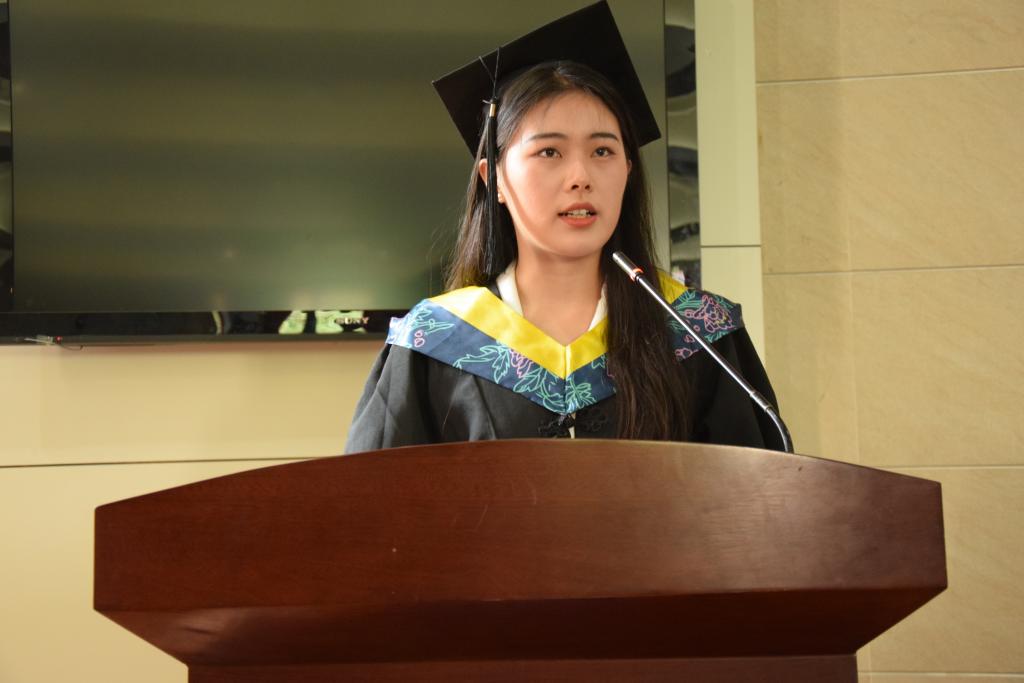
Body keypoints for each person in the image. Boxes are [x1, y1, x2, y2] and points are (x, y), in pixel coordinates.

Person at [345, 1, 784, 453]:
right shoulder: (435, 341)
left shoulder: (696, 333)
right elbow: (374, 494)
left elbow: (761, 489)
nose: (580, 177)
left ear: (628, 171)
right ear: (494, 179)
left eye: (602, 151)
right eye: (549, 152)